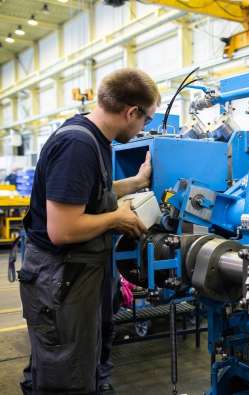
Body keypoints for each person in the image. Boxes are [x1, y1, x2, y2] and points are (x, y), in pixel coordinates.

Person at [18, 68, 160, 395]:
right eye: (146, 120)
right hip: (60, 277)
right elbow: (63, 229)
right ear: (131, 112)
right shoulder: (77, 145)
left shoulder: (93, 137)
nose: (143, 128)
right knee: (64, 375)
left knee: (76, 363)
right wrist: (117, 219)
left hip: (75, 275)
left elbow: (88, 192)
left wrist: (136, 183)